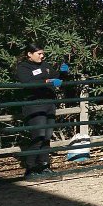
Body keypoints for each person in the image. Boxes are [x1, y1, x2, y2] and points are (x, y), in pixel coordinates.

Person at [13, 43, 68, 179]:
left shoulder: (45, 65)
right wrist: (48, 81)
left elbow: (57, 78)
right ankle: (30, 168)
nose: (42, 56)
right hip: (34, 105)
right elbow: (27, 82)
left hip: (49, 104)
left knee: (47, 137)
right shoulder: (23, 67)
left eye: (43, 53)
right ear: (29, 54)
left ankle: (44, 166)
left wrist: (64, 72)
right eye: (39, 54)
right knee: (38, 136)